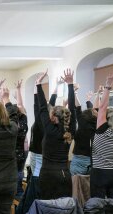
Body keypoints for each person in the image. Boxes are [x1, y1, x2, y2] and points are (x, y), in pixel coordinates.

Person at [36, 69, 76, 200]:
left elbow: (42, 106)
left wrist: (38, 84)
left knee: (47, 208)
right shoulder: (69, 130)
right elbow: (73, 108)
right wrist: (70, 85)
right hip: (64, 174)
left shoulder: (49, 129)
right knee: (64, 209)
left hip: (47, 175)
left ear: (52, 116)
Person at [90, 74, 113, 198]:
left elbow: (102, 108)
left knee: (97, 208)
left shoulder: (102, 130)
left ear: (106, 119)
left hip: (99, 173)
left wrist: (108, 85)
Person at [70, 89, 97, 176]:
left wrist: (74, 93)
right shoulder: (97, 125)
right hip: (92, 160)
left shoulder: (82, 122)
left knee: (75, 186)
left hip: (78, 159)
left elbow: (78, 107)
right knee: (89, 188)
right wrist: (88, 100)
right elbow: (95, 110)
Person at [13, 80, 28, 197]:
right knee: (19, 171)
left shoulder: (9, 125)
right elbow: (21, 106)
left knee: (14, 172)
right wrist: (18, 90)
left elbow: (2, 109)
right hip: (22, 152)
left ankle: (14, 192)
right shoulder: (23, 123)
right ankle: (18, 191)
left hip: (11, 152)